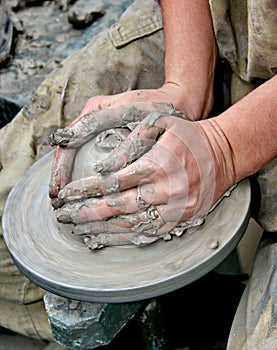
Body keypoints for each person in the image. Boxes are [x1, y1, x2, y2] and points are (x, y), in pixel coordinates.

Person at [0, 0, 276, 348]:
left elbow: (227, 145)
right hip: (222, 20)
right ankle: (193, 305)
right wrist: (184, 83)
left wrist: (225, 148)